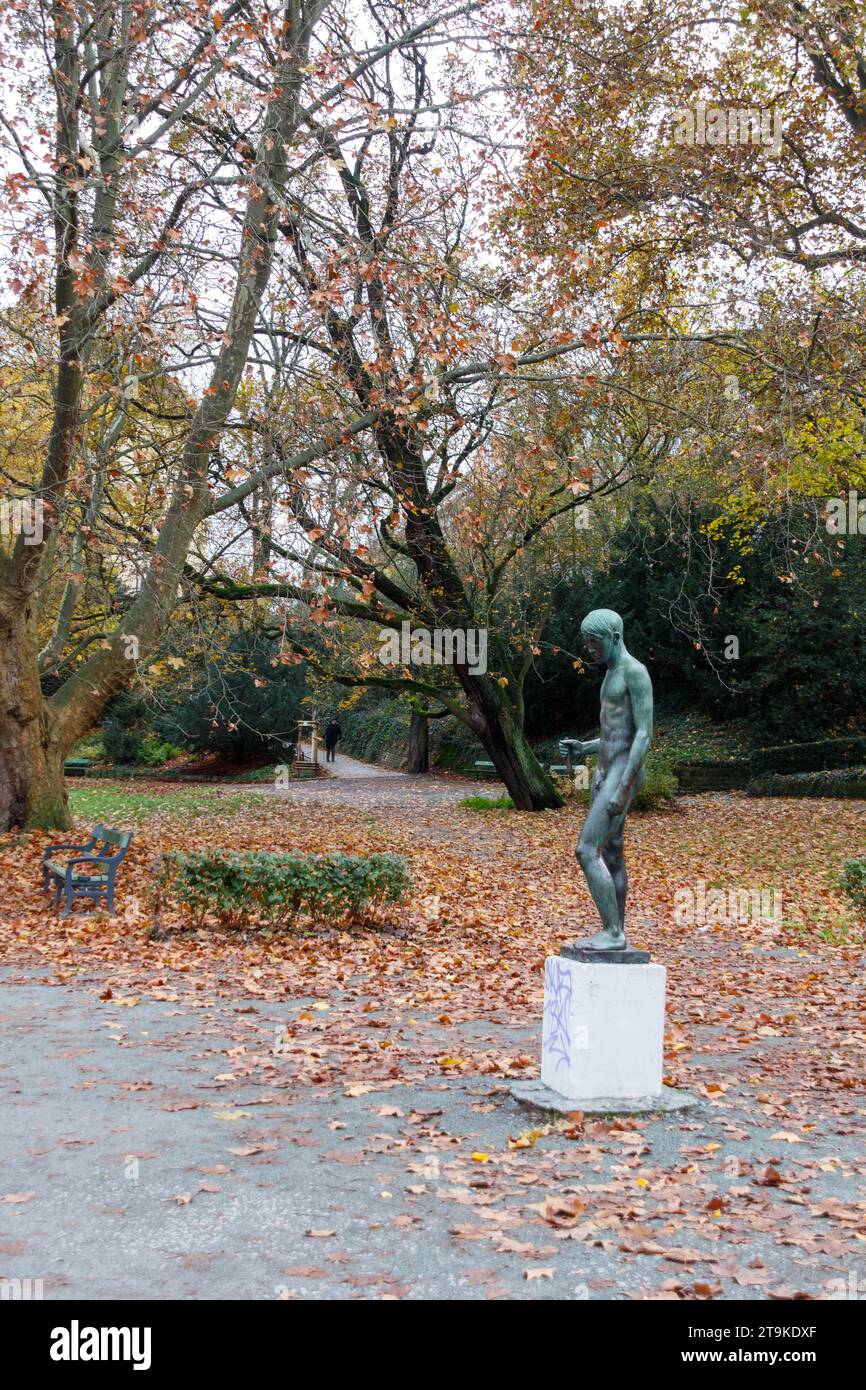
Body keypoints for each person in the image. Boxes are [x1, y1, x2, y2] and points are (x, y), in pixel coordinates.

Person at [559, 608, 653, 950]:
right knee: (612, 854)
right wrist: (584, 747)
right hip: (604, 770)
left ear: (614, 638)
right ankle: (618, 936)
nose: (589, 648)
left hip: (622, 772)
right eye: (586, 641)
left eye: (594, 641)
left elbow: (643, 735)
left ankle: (613, 933)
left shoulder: (634, 672)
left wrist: (625, 786)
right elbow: (615, 735)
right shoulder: (610, 674)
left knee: (586, 849)